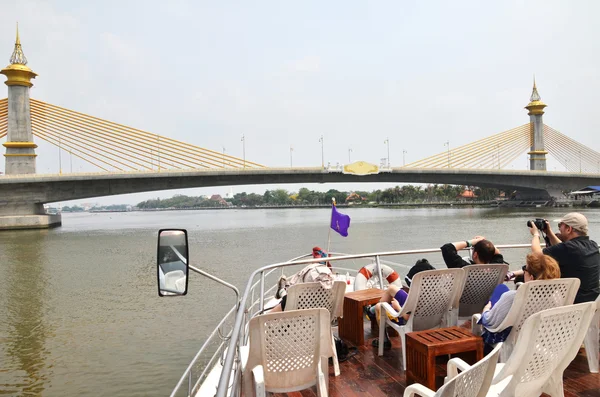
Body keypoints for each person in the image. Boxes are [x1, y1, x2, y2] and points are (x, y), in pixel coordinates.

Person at [479, 252, 561, 353]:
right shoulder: (557, 300)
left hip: (507, 344)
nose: (523, 271)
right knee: (502, 289)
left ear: (531, 278)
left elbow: (489, 322)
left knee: (499, 292)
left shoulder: (513, 297)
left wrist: (486, 310)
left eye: (524, 269)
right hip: (534, 342)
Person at [511, 213, 599, 304]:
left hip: (571, 305)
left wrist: (536, 234)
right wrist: (548, 232)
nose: (559, 229)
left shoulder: (568, 248)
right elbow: (561, 247)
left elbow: (537, 255)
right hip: (591, 304)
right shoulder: (593, 245)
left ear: (569, 229)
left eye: (560, 225)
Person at [364, 259, 435, 349]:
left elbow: (407, 318)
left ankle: (384, 340)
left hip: (409, 318)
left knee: (379, 307)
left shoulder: (417, 296)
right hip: (428, 317)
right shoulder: (433, 293)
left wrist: (397, 307)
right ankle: (371, 312)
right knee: (392, 288)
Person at [440, 236, 505, 268]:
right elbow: (497, 252)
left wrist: (471, 242)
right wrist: (485, 243)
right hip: (487, 294)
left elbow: (447, 248)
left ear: (475, 254)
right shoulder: (495, 269)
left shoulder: (464, 268)